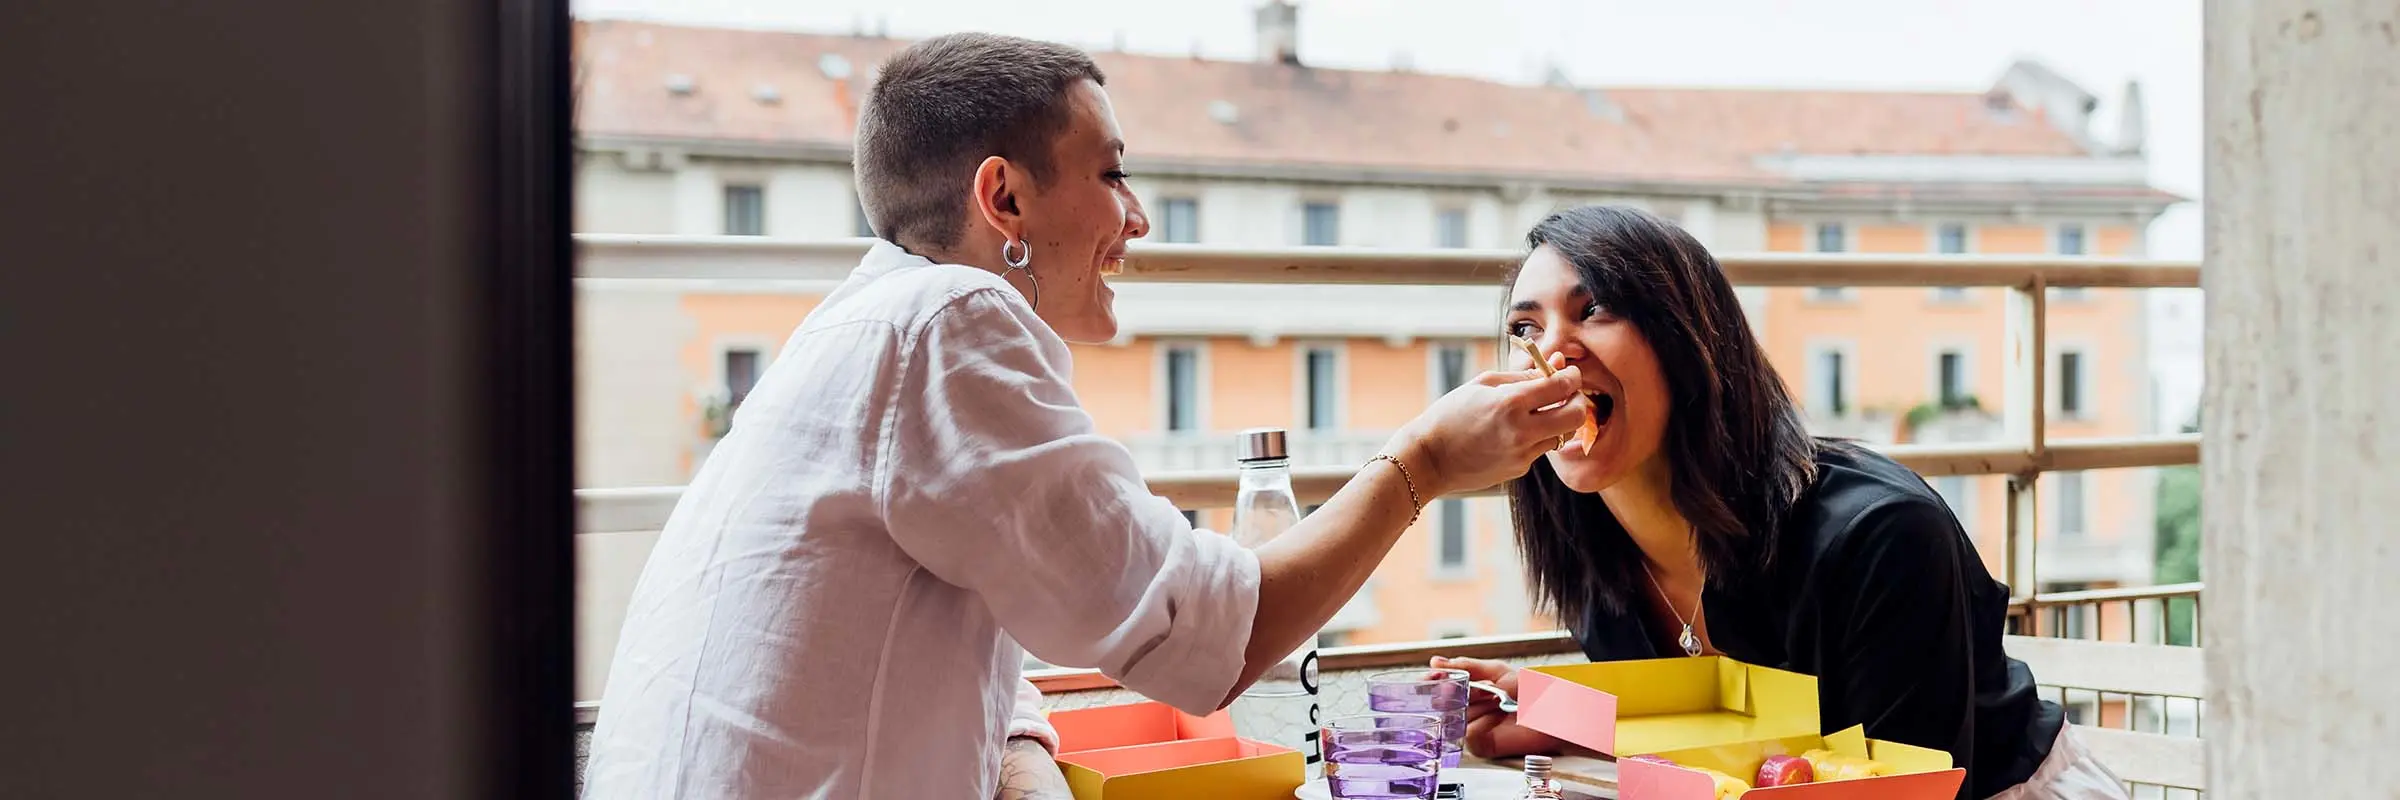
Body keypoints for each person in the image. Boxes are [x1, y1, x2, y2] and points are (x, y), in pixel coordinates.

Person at [579, 33, 1593, 800]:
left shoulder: (867, 323)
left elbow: (960, 608)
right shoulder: (949, 320)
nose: (1138, 216)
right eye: (1111, 173)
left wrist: (1021, 750)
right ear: (1004, 199)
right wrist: (1421, 460)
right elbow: (1206, 636)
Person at [1432, 206, 2128, 800]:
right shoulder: (1595, 550)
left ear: (1687, 341)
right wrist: (1565, 715)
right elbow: (1735, 740)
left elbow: (1898, 781)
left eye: (1594, 310)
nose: (1549, 352)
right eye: (1524, 328)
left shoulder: (1882, 534)